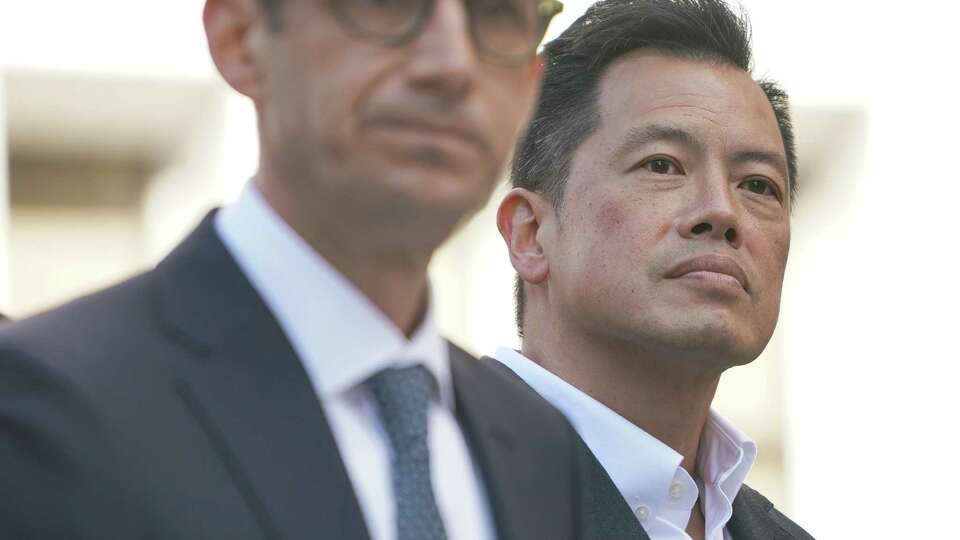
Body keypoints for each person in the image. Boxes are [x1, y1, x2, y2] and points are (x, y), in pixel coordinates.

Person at [0, 0, 585, 538]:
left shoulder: (540, 447)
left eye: (498, 14)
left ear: (530, 84)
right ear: (241, 37)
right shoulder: (46, 409)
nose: (453, 64)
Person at [492, 0, 813, 538]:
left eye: (758, 185)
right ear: (529, 234)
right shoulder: (418, 477)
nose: (721, 212)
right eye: (661, 165)